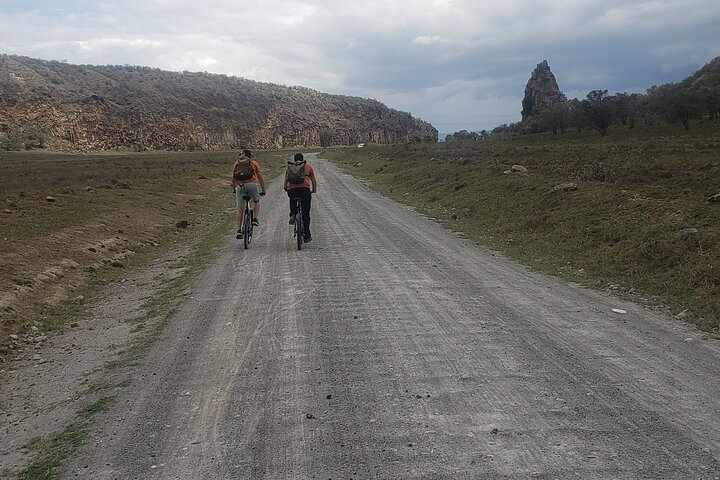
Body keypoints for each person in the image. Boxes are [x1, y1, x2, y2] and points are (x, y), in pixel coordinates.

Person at [232, 149, 266, 239]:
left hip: (240, 186)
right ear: (250, 156)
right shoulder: (253, 163)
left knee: (240, 209)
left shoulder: (237, 163)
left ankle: (239, 230)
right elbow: (260, 177)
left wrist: (234, 188)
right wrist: (263, 190)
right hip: (252, 185)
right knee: (256, 201)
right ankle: (255, 218)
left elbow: (234, 177)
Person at [284, 152, 317, 242]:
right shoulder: (308, 166)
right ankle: (307, 235)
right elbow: (313, 181)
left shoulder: (290, 167)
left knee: (292, 198)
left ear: (294, 160)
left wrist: (286, 188)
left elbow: (286, 179)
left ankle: (293, 214)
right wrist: (313, 190)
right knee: (306, 213)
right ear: (302, 160)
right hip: (305, 191)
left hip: (292, 191)